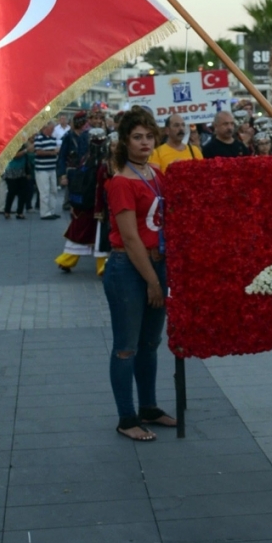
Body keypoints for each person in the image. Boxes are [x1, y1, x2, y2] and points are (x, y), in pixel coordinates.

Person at [103, 107, 176, 441]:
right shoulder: (120, 181)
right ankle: (126, 417)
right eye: (137, 137)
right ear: (125, 141)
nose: (145, 142)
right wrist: (152, 281)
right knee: (126, 347)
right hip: (128, 269)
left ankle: (148, 407)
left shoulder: (156, 173)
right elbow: (130, 238)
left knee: (150, 344)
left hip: (156, 263)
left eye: (149, 135)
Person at [56, 128, 109, 274]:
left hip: (85, 203)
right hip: (97, 202)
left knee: (81, 230)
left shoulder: (86, 158)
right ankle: (102, 265)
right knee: (100, 233)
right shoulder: (102, 160)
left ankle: (67, 260)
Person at [33, 121, 61, 219]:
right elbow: (38, 152)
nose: (52, 131)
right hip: (42, 169)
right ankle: (44, 213)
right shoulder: (38, 138)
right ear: (45, 128)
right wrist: (52, 153)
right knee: (44, 191)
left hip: (52, 168)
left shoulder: (53, 139)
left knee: (53, 190)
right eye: (51, 129)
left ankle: (51, 211)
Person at [2, 141, 30, 220]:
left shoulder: (23, 144)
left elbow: (27, 157)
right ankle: (7, 211)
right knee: (12, 191)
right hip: (11, 171)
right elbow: (14, 156)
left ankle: (20, 212)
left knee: (23, 192)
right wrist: (26, 150)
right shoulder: (10, 144)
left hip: (22, 171)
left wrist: (28, 171)